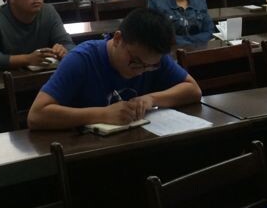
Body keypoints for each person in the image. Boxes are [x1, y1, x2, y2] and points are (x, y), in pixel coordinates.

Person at [26, 8, 202, 130]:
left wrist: (151, 99)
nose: (140, 71)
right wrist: (102, 114)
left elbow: (193, 90)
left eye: (150, 66)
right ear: (118, 39)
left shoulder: (152, 58)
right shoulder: (81, 59)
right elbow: (36, 115)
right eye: (135, 62)